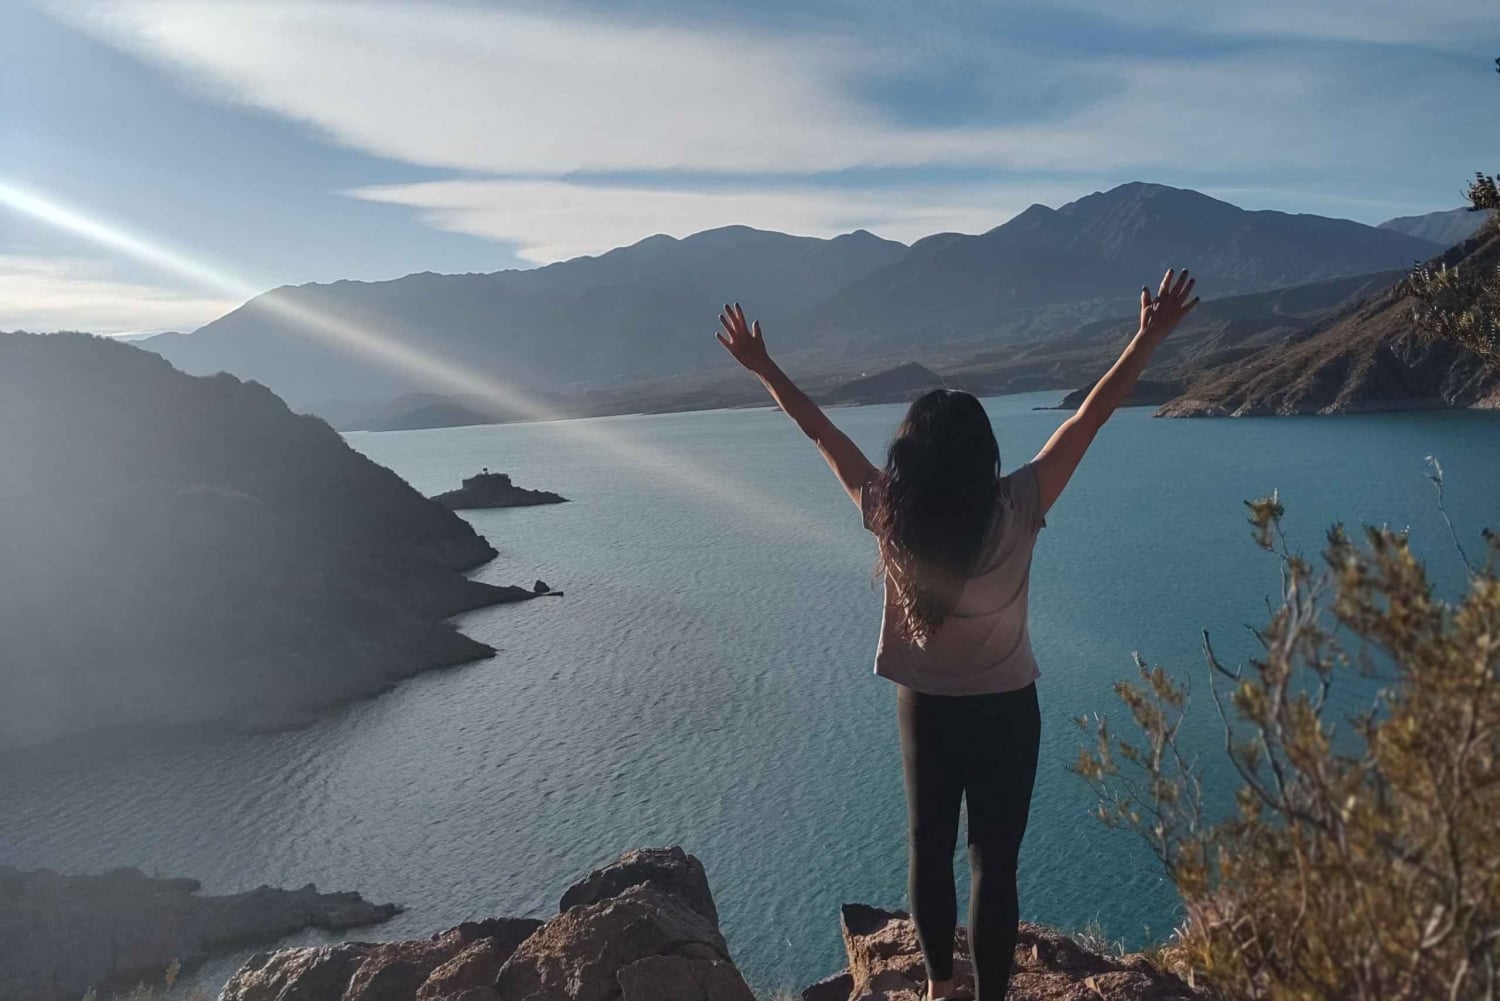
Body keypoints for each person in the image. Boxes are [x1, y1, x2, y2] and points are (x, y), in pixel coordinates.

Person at [715, 269, 1200, 1000]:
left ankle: (941, 988)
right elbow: (1091, 417)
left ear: (911, 454)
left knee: (929, 849)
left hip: (926, 709)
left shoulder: (888, 511)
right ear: (984, 454)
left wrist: (762, 366)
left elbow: (819, 431)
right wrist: (1147, 338)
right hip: (1008, 709)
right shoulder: (1020, 502)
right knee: (994, 865)